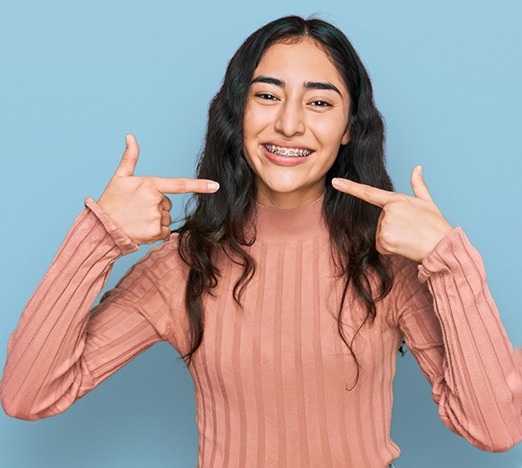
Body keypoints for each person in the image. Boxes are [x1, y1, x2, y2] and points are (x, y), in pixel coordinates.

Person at [1, 15, 521, 468]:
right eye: (268, 96)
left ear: (348, 129)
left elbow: (496, 429)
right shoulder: (185, 265)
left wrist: (448, 260)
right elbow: (28, 395)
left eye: (319, 102)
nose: (289, 124)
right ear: (238, 114)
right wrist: (98, 238)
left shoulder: (389, 263)